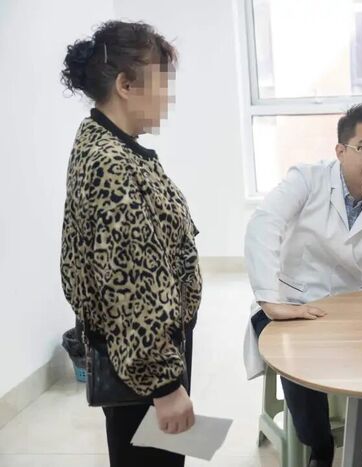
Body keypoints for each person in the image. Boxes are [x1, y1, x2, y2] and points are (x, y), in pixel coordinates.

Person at [244, 104, 362, 467]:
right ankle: (318, 449)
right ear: (340, 150)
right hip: (294, 302)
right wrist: (269, 299)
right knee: (299, 360)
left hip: (353, 307)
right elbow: (264, 223)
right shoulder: (307, 179)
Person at [60, 21, 200, 467]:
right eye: (162, 84)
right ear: (125, 85)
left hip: (137, 356)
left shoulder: (103, 143)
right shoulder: (113, 165)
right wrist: (165, 386)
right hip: (142, 367)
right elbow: (131, 286)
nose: (167, 98)